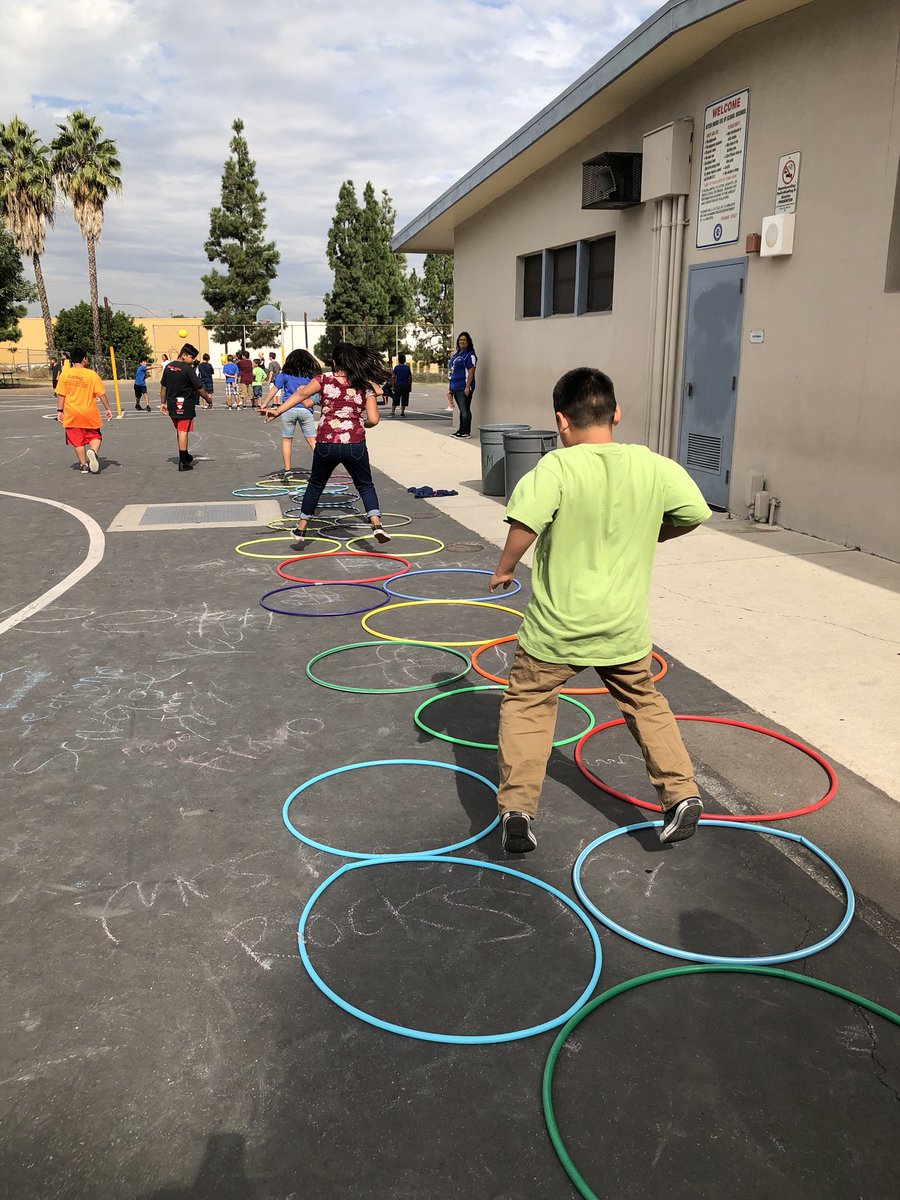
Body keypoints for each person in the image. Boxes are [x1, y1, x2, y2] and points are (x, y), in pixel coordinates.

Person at [489, 367, 712, 853]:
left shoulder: (556, 468)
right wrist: (653, 532)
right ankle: (680, 794)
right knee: (644, 703)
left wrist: (505, 567)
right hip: (622, 628)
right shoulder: (651, 465)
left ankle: (518, 809)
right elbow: (694, 511)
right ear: (616, 413)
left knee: (527, 704)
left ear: (560, 421)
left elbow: (525, 523)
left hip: (556, 629)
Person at [265, 342, 391, 546]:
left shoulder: (324, 379)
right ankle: (376, 524)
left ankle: (301, 528)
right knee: (365, 485)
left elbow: (301, 394)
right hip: (355, 444)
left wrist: (278, 410)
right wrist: (358, 422)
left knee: (315, 484)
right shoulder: (364, 385)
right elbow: (374, 420)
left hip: (326, 442)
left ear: (334, 362)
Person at [260, 348, 319, 477]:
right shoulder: (311, 376)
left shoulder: (284, 374)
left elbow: (274, 389)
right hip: (306, 409)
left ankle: (287, 470)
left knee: (287, 439)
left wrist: (264, 403)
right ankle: (321, 469)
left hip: (288, 409)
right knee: (312, 440)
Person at [54, 347, 113, 474]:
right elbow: (101, 394)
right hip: (89, 412)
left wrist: (59, 410)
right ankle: (93, 451)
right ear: (84, 359)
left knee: (77, 440)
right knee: (95, 436)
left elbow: (61, 394)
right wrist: (108, 409)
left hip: (72, 413)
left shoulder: (65, 374)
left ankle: (84, 465)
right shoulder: (91, 374)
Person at [159, 343, 213, 471]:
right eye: (192, 357)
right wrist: (208, 399)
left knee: (179, 430)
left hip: (172, 404)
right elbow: (199, 388)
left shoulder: (168, 367)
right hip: (185, 404)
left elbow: (163, 387)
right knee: (183, 431)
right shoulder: (188, 369)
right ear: (184, 355)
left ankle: (185, 454)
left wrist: (163, 402)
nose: (193, 360)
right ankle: (183, 461)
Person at [448, 331, 477, 437]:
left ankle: (466, 432)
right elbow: (452, 371)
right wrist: (450, 387)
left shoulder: (470, 355)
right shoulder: (456, 355)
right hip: (455, 387)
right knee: (461, 410)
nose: (462, 341)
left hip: (463, 387)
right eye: (460, 340)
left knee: (465, 410)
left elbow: (471, 371)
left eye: (464, 340)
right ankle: (461, 430)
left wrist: (467, 387)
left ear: (468, 342)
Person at [391, 353, 412, 417]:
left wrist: (393, 385)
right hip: (405, 386)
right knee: (404, 400)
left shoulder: (396, 367)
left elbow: (393, 377)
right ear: (405, 360)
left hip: (398, 385)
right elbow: (410, 378)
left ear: (399, 360)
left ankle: (392, 412)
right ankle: (402, 413)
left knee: (395, 399)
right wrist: (410, 386)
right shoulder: (407, 368)